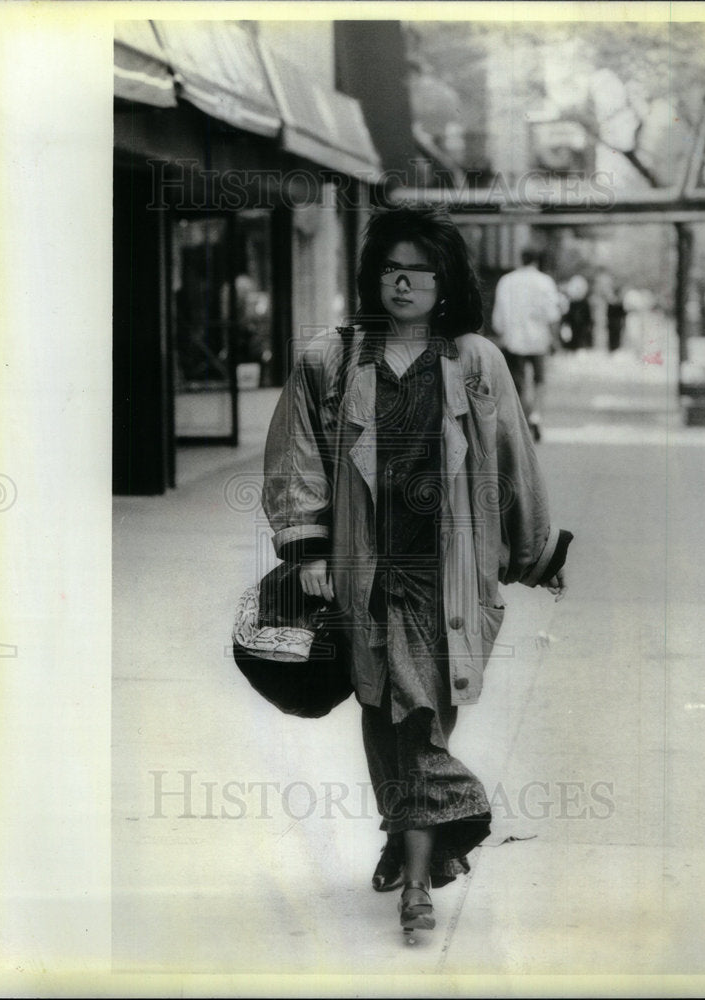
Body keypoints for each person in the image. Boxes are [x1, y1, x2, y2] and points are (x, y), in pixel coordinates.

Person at [262, 206, 572, 941]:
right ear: (373, 278)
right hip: (364, 570)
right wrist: (306, 550)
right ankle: (418, 870)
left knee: (426, 715)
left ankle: (409, 849)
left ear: (445, 281)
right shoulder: (330, 359)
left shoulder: (476, 360)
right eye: (389, 269)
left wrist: (535, 552)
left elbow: (510, 462)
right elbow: (297, 456)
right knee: (383, 709)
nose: (402, 282)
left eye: (419, 270)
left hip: (450, 574)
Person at [491, 248, 564, 441]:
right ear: (537, 261)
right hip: (539, 339)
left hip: (513, 339)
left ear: (521, 259)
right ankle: (536, 415)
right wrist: (555, 339)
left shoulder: (507, 281)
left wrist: (502, 332)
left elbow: (499, 313)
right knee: (540, 380)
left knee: (518, 382)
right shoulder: (545, 282)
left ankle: (523, 420)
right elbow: (552, 313)